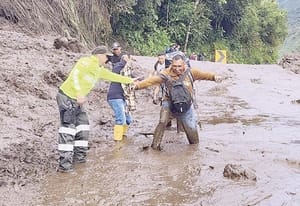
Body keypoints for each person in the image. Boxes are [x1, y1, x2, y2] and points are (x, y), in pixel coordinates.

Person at [56, 45, 134, 172]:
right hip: (67, 97)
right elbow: (75, 76)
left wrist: (130, 80)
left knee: (83, 127)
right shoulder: (85, 61)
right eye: (105, 57)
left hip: (77, 102)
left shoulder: (98, 69)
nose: (107, 60)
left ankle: (80, 160)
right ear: (99, 55)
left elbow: (113, 76)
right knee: (68, 130)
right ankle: (64, 166)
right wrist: (79, 93)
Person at [134, 54, 222, 150]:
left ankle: (193, 151)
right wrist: (138, 86)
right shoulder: (166, 74)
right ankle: (155, 147)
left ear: (184, 64)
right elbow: (151, 81)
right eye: (174, 66)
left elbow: (205, 75)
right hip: (169, 103)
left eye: (179, 66)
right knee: (163, 121)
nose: (177, 69)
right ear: (171, 64)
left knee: (193, 138)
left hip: (186, 105)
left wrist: (214, 77)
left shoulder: (191, 73)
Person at [107, 55, 134, 141]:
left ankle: (122, 135)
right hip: (115, 97)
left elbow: (133, 79)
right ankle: (117, 141)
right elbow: (119, 68)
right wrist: (125, 60)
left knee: (129, 119)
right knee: (121, 119)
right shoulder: (118, 67)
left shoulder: (127, 71)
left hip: (122, 97)